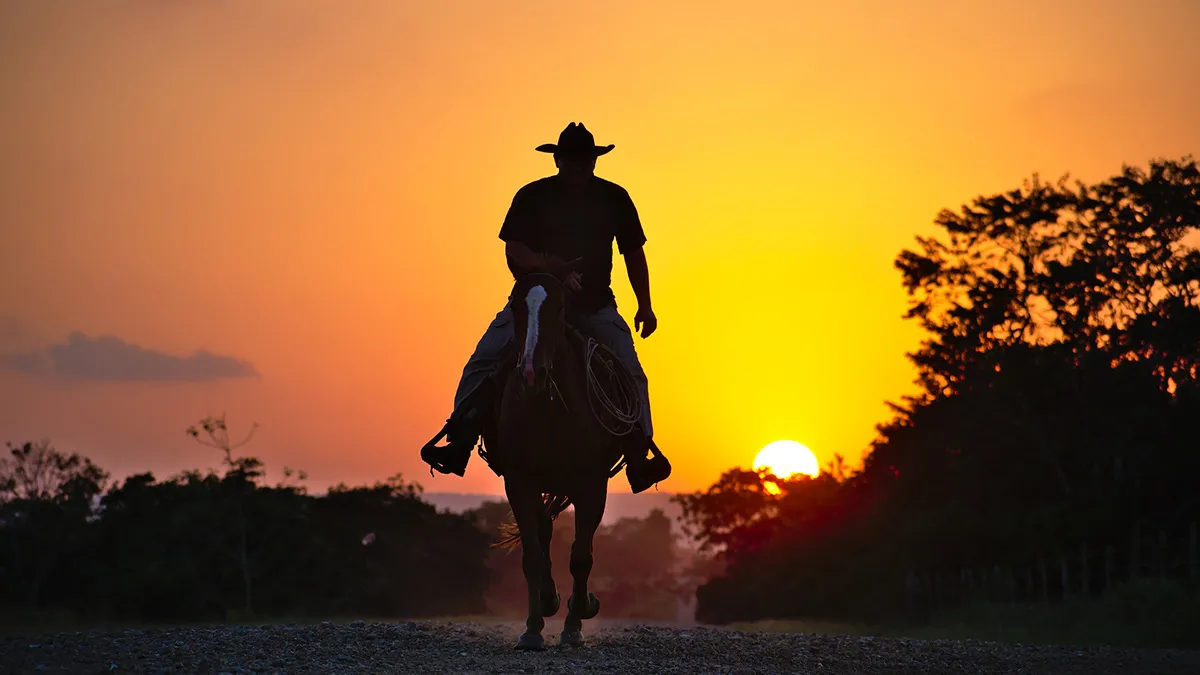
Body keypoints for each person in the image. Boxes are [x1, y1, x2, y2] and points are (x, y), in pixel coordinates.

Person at [420, 122, 671, 493]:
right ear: (557, 159)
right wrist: (554, 269)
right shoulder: (532, 196)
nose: (579, 167)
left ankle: (639, 454)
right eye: (572, 160)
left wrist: (645, 306)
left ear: (594, 162)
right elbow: (514, 251)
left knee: (631, 371)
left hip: (595, 305)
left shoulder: (615, 198)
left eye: (585, 161)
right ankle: (459, 440)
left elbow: (633, 252)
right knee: (484, 361)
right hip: (534, 303)